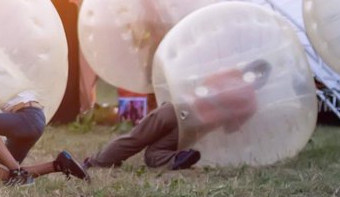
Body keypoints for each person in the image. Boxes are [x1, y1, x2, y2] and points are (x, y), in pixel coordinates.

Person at [82, 59, 272, 172]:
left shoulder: (230, 74)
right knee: (155, 154)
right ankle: (177, 158)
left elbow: (202, 85)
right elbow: (230, 129)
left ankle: (96, 162)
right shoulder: (251, 104)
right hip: (194, 129)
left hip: (178, 109)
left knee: (136, 139)